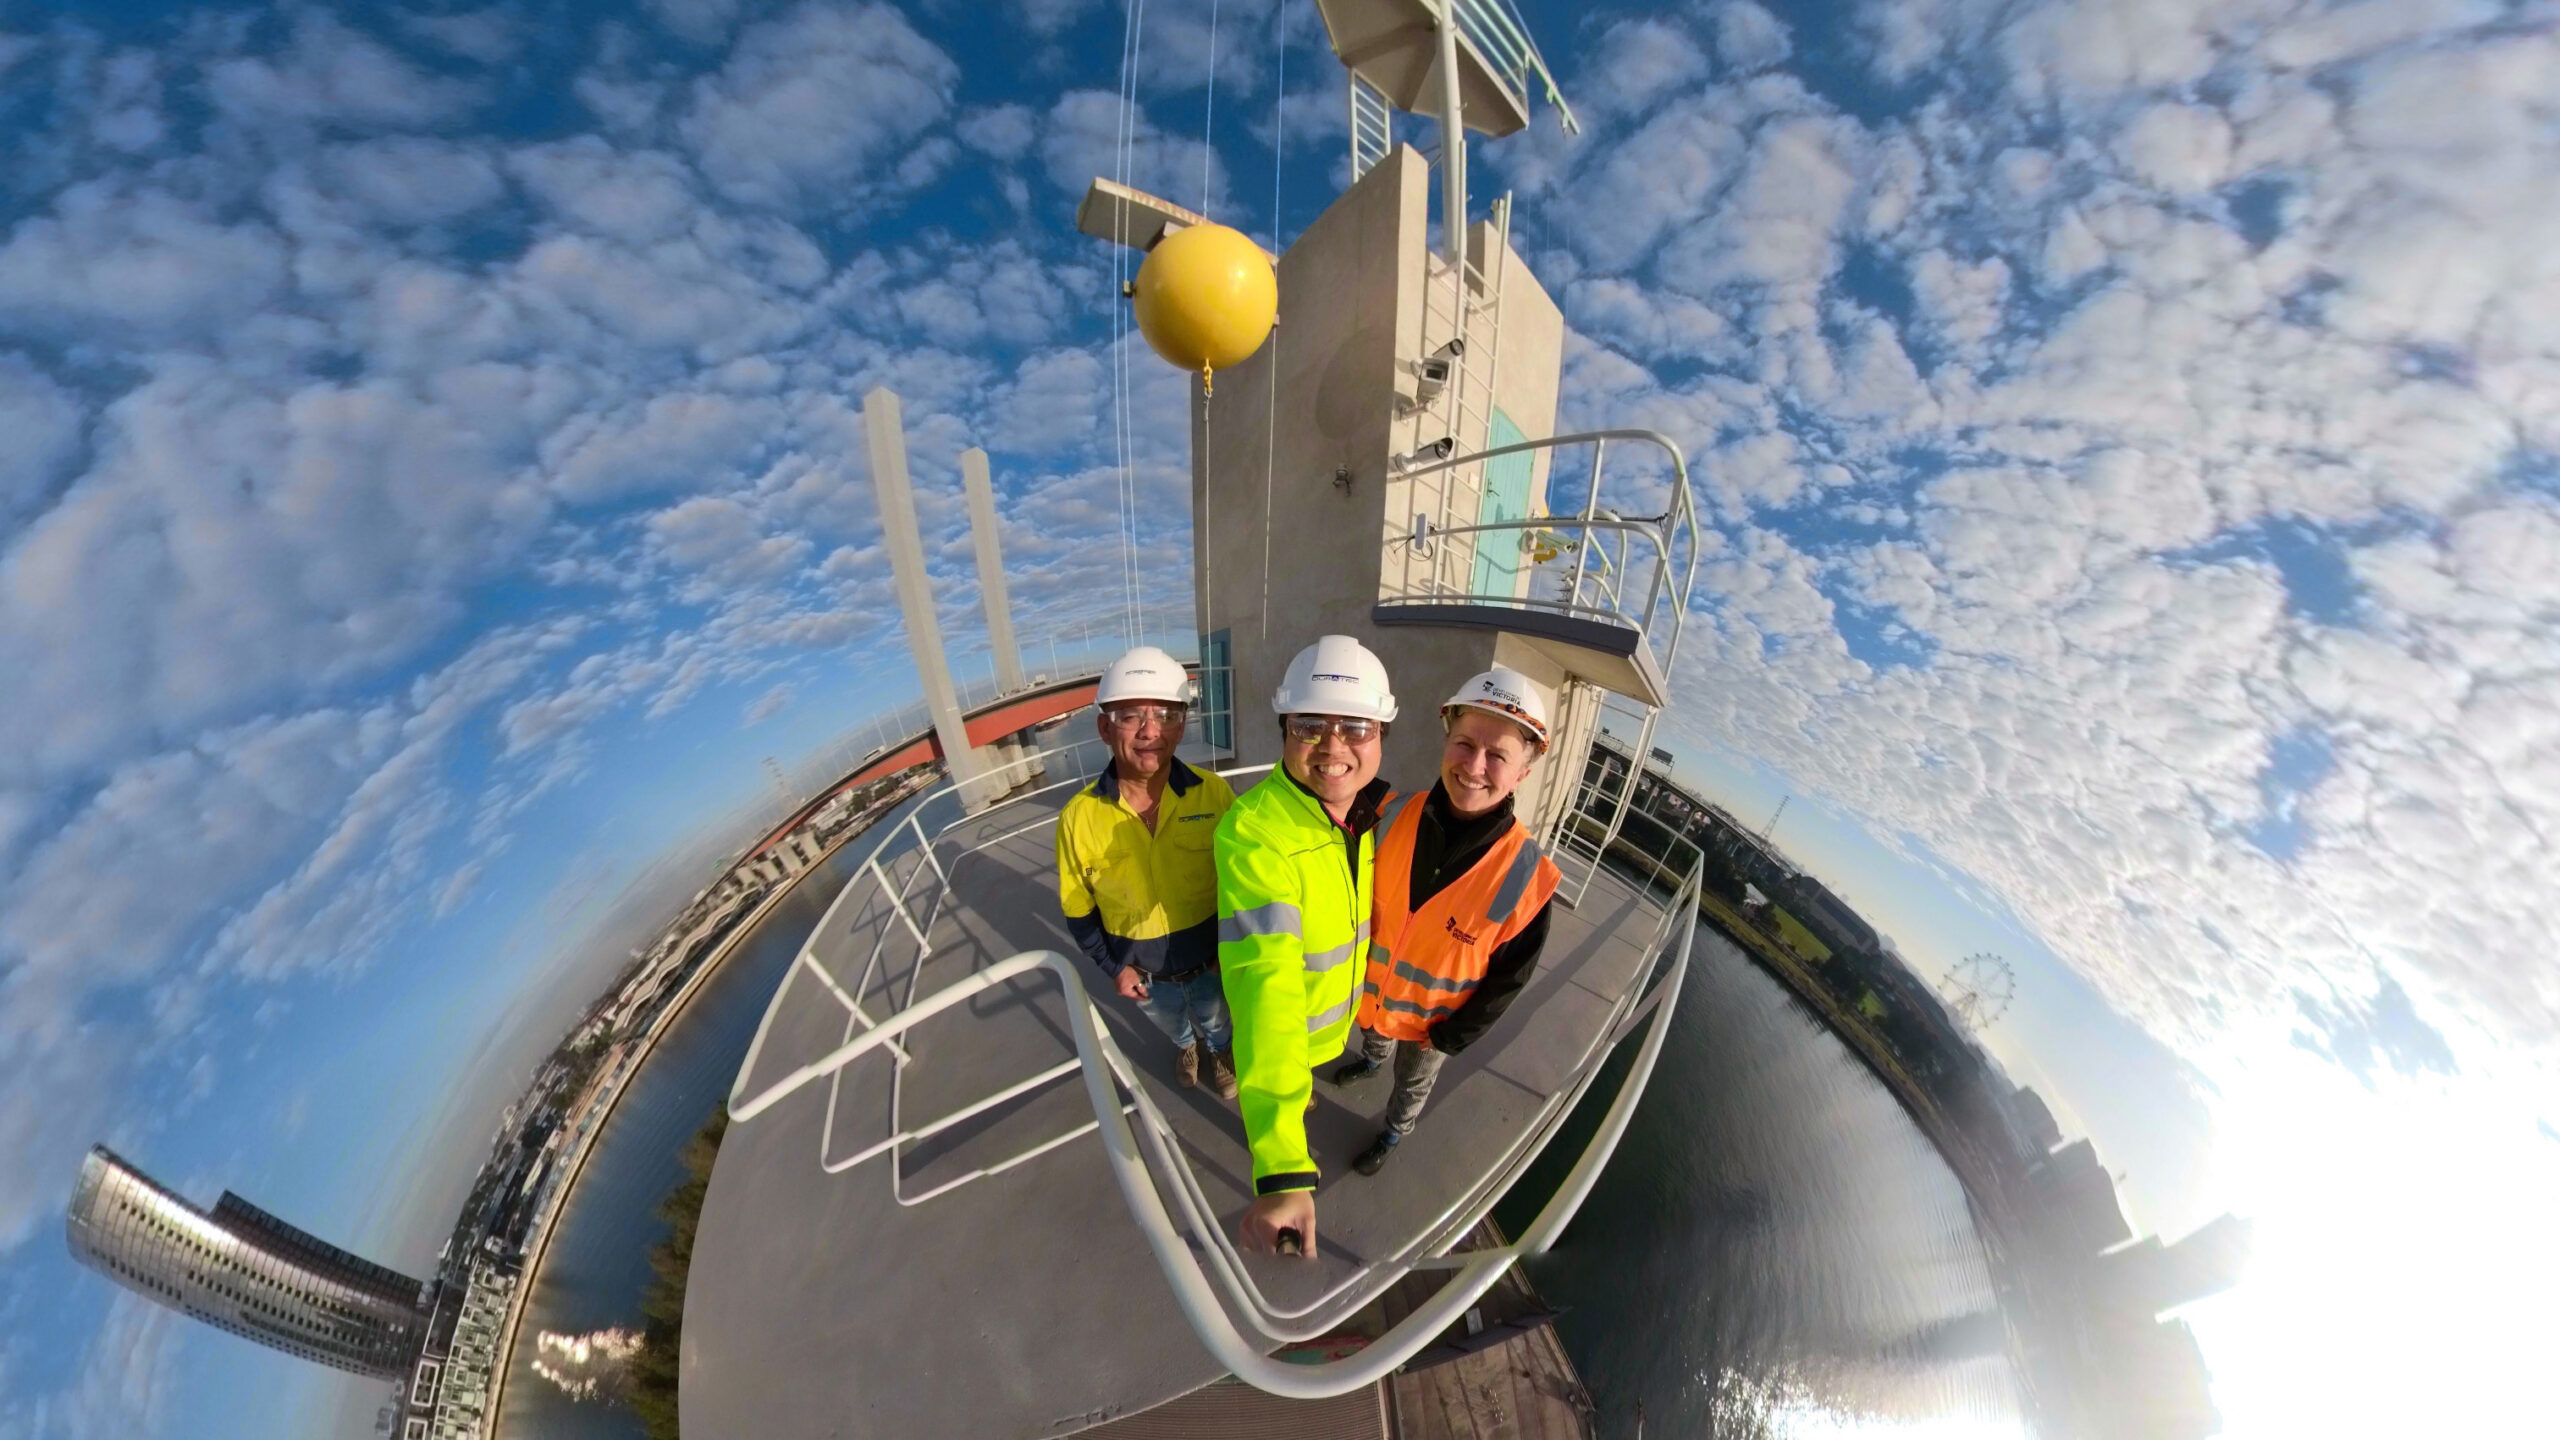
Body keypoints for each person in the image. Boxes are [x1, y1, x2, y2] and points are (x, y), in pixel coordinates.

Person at [1330, 667, 1562, 1176]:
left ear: (1522, 774)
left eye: (1498, 755)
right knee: (1374, 1035)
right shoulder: (1388, 813)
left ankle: (1393, 1132)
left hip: (1434, 1027)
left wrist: (1451, 1037)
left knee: (1412, 1083)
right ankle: (1371, 1060)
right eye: (1465, 743)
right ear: (1446, 740)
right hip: (1371, 996)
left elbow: (1510, 979)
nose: (1475, 766)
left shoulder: (1527, 875)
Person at [1216, 635, 1397, 1257]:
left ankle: (1301, 1093)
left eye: (1355, 727)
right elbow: (1266, 986)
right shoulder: (1257, 834)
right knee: (1289, 1082)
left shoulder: (1361, 815)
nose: (1333, 745)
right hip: (1293, 1036)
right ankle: (1288, 1111)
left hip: (1332, 1031)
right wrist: (1284, 1170)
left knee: (1306, 1079)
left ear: (1380, 735)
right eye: (1310, 725)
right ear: (1284, 730)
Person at [1057, 645, 1240, 1098]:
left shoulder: (1214, 795)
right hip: (1144, 975)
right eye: (1130, 716)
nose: (1150, 730)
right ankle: (1186, 1047)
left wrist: (1231, 945)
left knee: (1218, 1019)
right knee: (1173, 1023)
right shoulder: (1078, 818)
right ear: (1104, 728)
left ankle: (1220, 1051)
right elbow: (1078, 911)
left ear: (1182, 724)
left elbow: (1241, 882)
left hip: (1211, 962)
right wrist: (1114, 967)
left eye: (1166, 715)